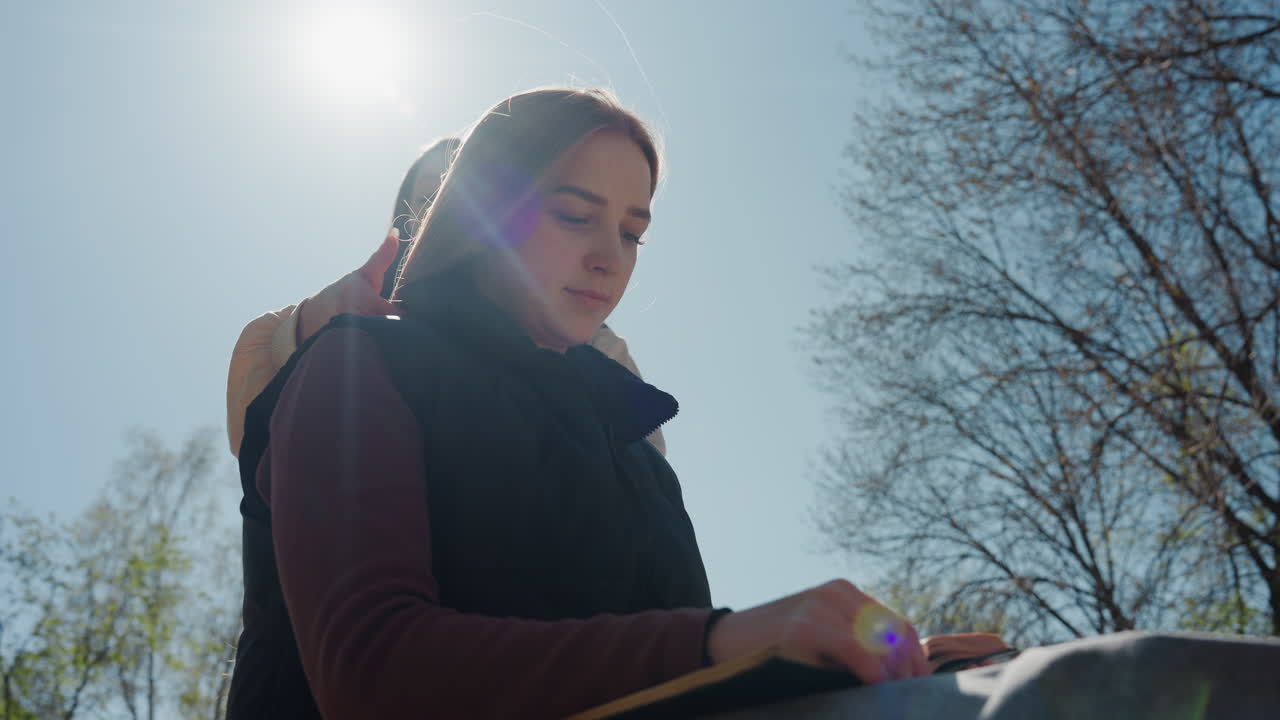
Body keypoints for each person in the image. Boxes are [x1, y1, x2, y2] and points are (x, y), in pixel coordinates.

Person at [225, 87, 928, 720]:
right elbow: (373, 677)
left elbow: (660, 671)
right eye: (573, 215)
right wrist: (722, 641)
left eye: (630, 232)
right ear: (482, 216)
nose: (611, 257)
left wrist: (878, 679)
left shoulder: (634, 448)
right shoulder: (353, 370)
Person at [225, 137, 665, 460]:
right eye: (430, 199)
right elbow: (254, 438)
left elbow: (648, 494)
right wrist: (315, 332)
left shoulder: (598, 350)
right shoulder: (346, 320)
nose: (449, 216)